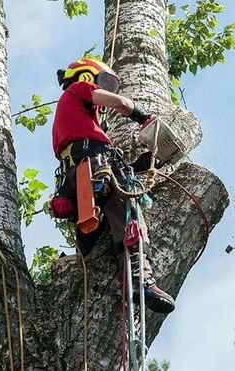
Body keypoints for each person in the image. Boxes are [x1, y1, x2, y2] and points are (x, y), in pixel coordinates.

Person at [51, 58, 175, 314]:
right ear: (86, 77)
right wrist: (145, 119)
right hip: (93, 169)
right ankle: (141, 280)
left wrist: (139, 165)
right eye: (103, 82)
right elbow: (122, 103)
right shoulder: (77, 90)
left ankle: (97, 260)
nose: (105, 89)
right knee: (130, 213)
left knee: (100, 224)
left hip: (79, 178)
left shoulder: (78, 121)